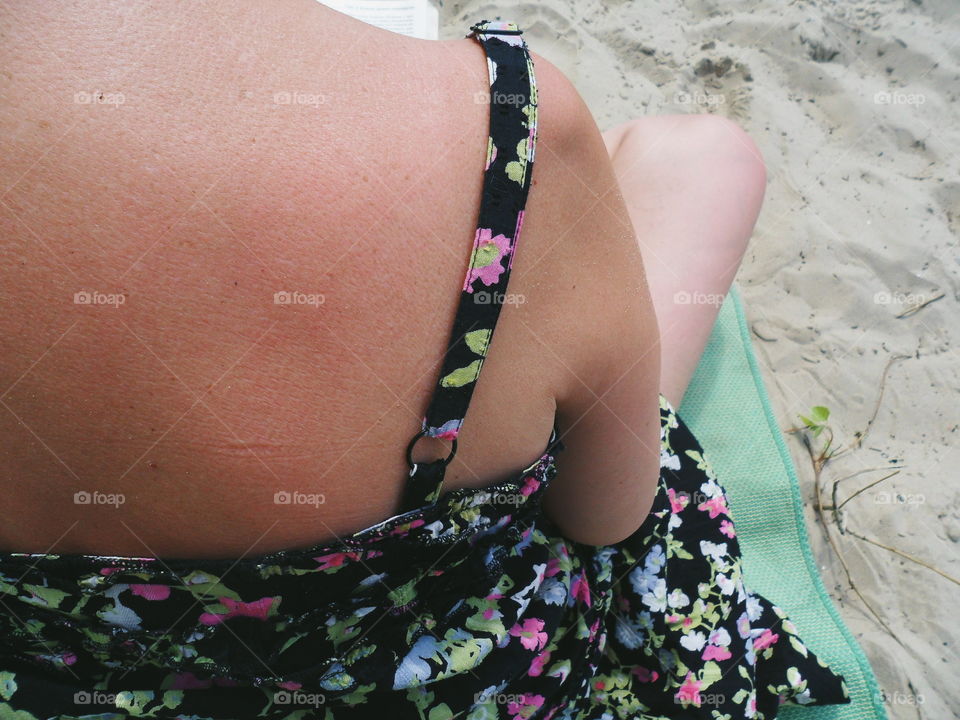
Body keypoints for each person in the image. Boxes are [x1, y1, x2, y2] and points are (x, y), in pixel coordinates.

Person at [0, 2, 850, 717]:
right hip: (430, 682)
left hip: (43, 676)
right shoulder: (509, 117)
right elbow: (608, 518)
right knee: (702, 157)